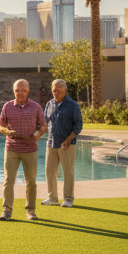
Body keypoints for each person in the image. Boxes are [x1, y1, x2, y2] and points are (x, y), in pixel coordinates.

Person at [0, 79, 46, 221]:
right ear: (14, 91)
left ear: (28, 91)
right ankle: (6, 210)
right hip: (11, 148)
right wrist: (6, 131)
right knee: (8, 181)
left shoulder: (36, 107)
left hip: (30, 149)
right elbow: (0, 125)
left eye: (23, 90)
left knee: (31, 182)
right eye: (17, 90)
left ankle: (30, 211)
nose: (20, 93)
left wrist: (39, 134)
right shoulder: (7, 106)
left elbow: (43, 125)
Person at [41, 78, 83, 208]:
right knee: (50, 171)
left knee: (68, 171)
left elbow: (78, 125)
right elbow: (43, 123)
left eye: (58, 88)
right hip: (51, 143)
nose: (55, 91)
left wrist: (69, 139)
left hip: (67, 144)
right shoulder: (49, 104)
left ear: (65, 90)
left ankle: (68, 199)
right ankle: (52, 198)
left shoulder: (73, 105)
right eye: (54, 88)